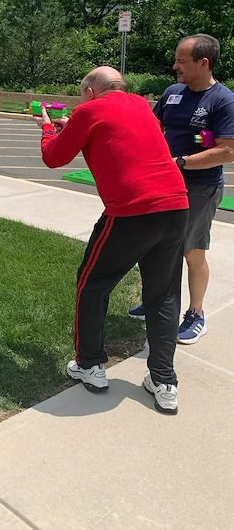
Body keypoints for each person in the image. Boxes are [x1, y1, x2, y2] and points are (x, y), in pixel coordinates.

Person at [37, 66, 189, 414]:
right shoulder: (141, 106)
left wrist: (47, 127)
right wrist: (70, 130)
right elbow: (118, 138)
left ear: (91, 91)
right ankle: (164, 381)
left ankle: (91, 365)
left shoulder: (88, 110)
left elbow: (53, 157)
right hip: (177, 206)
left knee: (92, 285)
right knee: (162, 295)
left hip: (131, 212)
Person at [128, 35, 234, 344]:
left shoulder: (223, 100)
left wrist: (180, 162)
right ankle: (158, 303)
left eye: (182, 61)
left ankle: (196, 315)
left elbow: (228, 151)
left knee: (192, 251)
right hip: (165, 184)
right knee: (159, 247)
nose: (175, 66)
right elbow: (152, 127)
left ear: (204, 63)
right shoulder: (173, 93)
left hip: (199, 187)